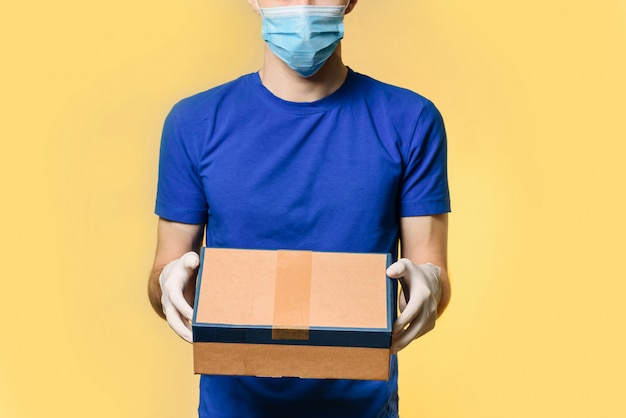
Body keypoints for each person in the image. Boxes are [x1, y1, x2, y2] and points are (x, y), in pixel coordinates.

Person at [147, 0, 451, 416]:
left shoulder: (411, 120)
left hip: (362, 406)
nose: (304, 3)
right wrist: (168, 280)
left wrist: (429, 284)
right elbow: (162, 271)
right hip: (234, 407)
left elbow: (432, 272)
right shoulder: (193, 122)